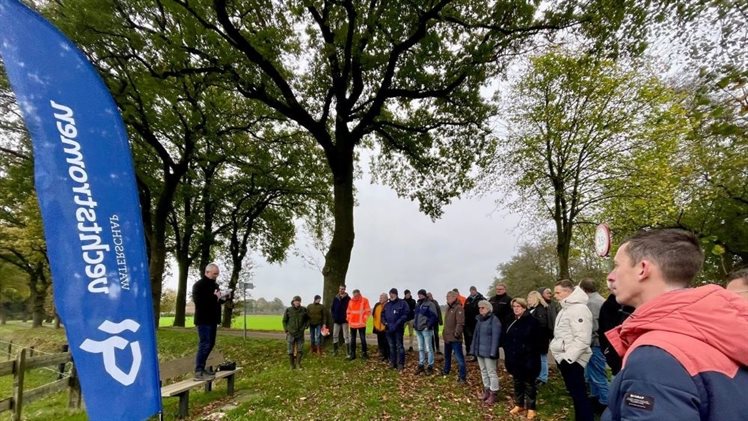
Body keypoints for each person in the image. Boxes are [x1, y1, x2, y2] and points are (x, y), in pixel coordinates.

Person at [603, 229, 748, 421]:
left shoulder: (655, 355)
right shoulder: (722, 329)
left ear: (642, 269)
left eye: (617, 265)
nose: (611, 276)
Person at [550, 279, 593, 421]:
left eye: (557, 292)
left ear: (568, 292)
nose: (554, 295)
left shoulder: (578, 309)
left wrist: (568, 359)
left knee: (579, 393)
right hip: (564, 357)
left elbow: (583, 338)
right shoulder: (566, 308)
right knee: (575, 393)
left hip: (572, 359)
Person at [505, 298, 544, 420]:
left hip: (528, 358)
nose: (516, 308)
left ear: (524, 307)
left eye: (519, 306)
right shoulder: (510, 320)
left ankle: (531, 407)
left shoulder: (532, 322)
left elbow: (538, 341)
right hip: (514, 357)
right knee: (517, 382)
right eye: (514, 306)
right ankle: (519, 404)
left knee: (529, 383)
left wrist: (527, 350)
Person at [192, 263, 227, 380]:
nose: (216, 276)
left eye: (217, 274)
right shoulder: (199, 285)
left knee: (210, 344)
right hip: (203, 320)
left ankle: (203, 368)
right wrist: (215, 297)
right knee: (205, 344)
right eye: (214, 274)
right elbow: (200, 302)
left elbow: (217, 301)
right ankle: (198, 371)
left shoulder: (215, 285)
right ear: (207, 272)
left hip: (213, 319)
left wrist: (225, 297)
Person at [579, 278, 608, 413]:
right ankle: (596, 400)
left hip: (595, 344)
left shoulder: (591, 303)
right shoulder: (601, 299)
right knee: (592, 375)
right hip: (597, 343)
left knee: (597, 375)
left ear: (584, 290)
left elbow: (592, 327)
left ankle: (606, 404)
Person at [470, 300, 501, 406]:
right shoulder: (479, 320)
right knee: (483, 371)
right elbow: (475, 336)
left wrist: (493, 352)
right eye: (479, 308)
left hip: (489, 351)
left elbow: (496, 338)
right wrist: (473, 349)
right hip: (480, 350)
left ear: (488, 308)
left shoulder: (494, 320)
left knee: (491, 372)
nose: (480, 309)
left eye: (483, 308)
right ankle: (486, 390)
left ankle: (493, 392)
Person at [598, 284, 632, 376]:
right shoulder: (609, 305)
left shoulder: (635, 303)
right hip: (617, 354)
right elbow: (603, 329)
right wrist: (608, 350)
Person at [527, 290, 551, 385]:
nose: (528, 300)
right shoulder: (532, 309)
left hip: (540, 338)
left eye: (529, 298)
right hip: (535, 339)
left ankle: (543, 377)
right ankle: (538, 375)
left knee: (542, 358)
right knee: (537, 358)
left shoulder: (540, 309)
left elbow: (542, 324)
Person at [441, 290, 466, 383]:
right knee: (447, 356)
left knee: (459, 358)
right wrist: (444, 333)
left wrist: (456, 334)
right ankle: (446, 370)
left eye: (448, 296)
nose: (447, 298)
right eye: (446, 296)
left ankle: (462, 376)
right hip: (447, 337)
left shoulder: (459, 308)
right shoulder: (448, 308)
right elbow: (446, 323)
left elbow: (460, 323)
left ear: (454, 297)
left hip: (455, 339)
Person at [383, 288, 409, 371]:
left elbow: (405, 314)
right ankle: (392, 362)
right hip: (388, 329)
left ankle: (400, 363)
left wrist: (397, 323)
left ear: (396, 294)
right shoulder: (387, 305)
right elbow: (382, 315)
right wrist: (385, 323)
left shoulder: (402, 303)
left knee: (399, 346)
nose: (391, 295)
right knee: (391, 346)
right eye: (390, 294)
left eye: (392, 294)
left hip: (398, 329)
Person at [413, 289, 438, 375]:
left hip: (426, 329)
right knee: (420, 348)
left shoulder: (430, 304)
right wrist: (414, 325)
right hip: (418, 329)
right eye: (418, 294)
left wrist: (428, 326)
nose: (419, 296)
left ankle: (430, 365)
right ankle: (421, 364)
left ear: (424, 295)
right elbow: (415, 316)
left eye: (420, 294)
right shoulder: (418, 304)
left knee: (429, 348)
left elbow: (434, 316)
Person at [283, 295, 309, 369]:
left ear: (300, 302)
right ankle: (292, 365)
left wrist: (306, 326)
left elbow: (308, 319)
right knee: (290, 350)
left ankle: (298, 364)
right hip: (291, 333)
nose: (297, 302)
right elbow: (284, 321)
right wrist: (286, 330)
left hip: (300, 333)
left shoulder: (304, 309)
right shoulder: (288, 310)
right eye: (296, 301)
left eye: (298, 301)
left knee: (300, 350)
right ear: (293, 302)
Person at [346, 289, 371, 360]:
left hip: (361, 324)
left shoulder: (365, 300)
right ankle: (353, 354)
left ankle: (364, 354)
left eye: (356, 295)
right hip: (353, 324)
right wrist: (349, 319)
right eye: (354, 295)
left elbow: (368, 311)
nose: (355, 297)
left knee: (363, 339)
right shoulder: (350, 301)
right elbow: (348, 311)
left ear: (359, 294)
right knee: (353, 340)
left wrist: (364, 319)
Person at [464, 286, 484, 361]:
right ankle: (471, 354)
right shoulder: (468, 300)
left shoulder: (481, 299)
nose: (472, 292)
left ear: (476, 290)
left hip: (478, 322)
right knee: (470, 339)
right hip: (469, 323)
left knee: (478, 339)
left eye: (473, 291)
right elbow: (465, 310)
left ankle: (478, 354)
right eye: (471, 291)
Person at [331, 285, 350, 356]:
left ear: (345, 290)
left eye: (343, 289)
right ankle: (335, 351)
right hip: (337, 320)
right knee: (335, 335)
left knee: (346, 336)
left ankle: (348, 352)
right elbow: (332, 308)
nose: (341, 290)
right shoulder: (335, 298)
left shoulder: (348, 298)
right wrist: (334, 316)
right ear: (339, 289)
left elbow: (350, 309)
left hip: (345, 320)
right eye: (340, 289)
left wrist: (347, 317)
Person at [372, 293, 390, 361]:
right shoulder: (377, 305)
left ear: (386, 298)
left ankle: (387, 356)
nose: (380, 299)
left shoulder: (388, 305)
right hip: (378, 327)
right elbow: (374, 314)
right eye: (380, 298)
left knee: (386, 342)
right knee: (380, 342)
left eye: (381, 298)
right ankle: (381, 354)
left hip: (385, 327)